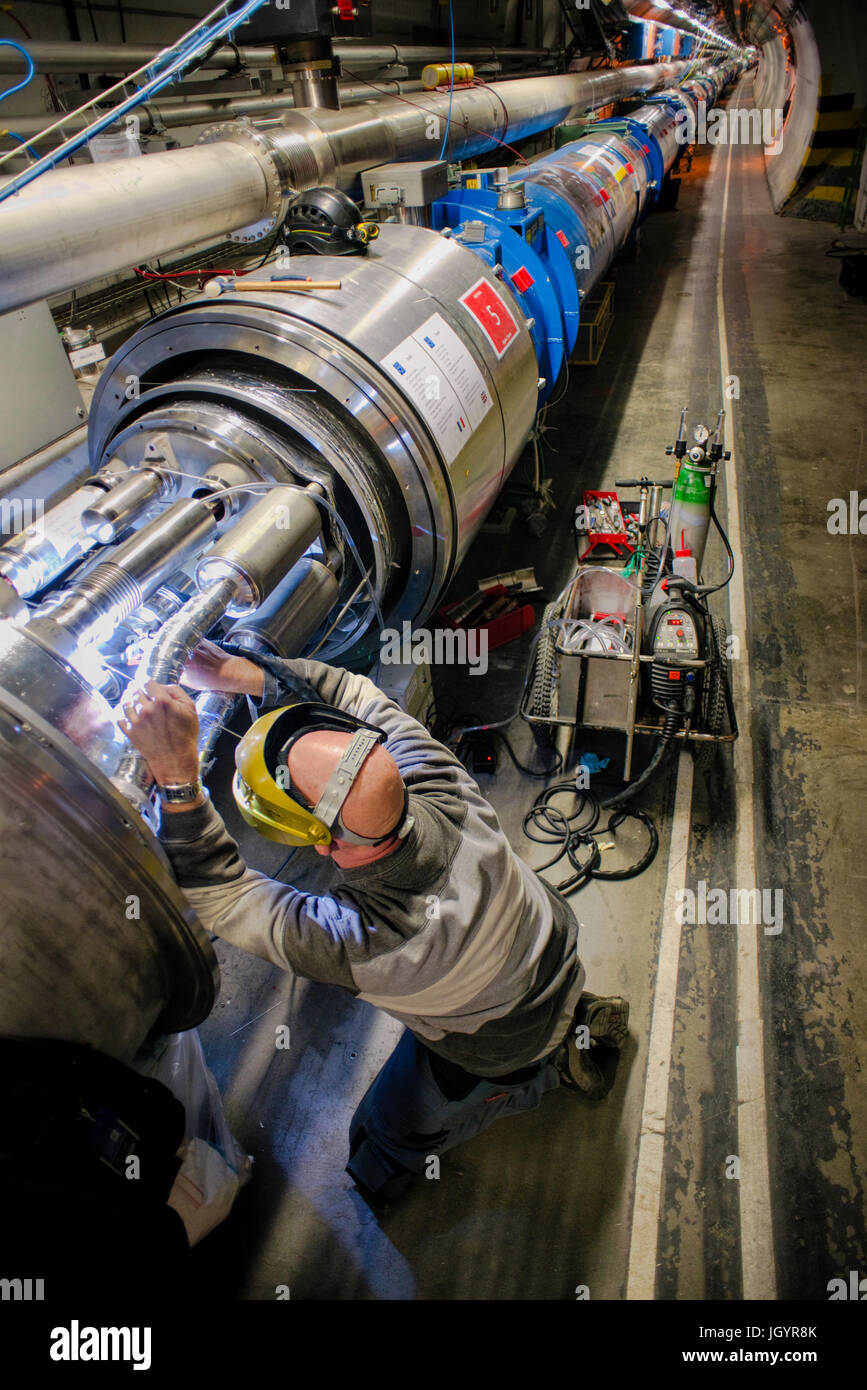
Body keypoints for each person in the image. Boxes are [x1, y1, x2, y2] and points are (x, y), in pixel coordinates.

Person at [120, 640, 629, 1201]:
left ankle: (544, 1073)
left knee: (384, 1136)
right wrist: (234, 672)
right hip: (551, 939)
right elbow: (353, 692)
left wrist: (175, 776)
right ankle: (577, 1012)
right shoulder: (440, 781)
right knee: (529, 996)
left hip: (501, 1040)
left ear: (318, 842)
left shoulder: (365, 943)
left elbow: (220, 895)